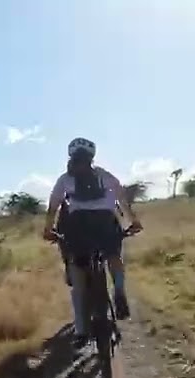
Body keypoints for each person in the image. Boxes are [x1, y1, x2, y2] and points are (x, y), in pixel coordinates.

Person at [42, 137, 142, 346]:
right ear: (92, 157)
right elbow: (122, 200)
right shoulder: (104, 175)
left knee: (78, 274)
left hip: (78, 225)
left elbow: (53, 207)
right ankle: (119, 290)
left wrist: (48, 229)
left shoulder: (65, 179)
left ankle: (81, 329)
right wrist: (134, 221)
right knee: (114, 256)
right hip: (105, 222)